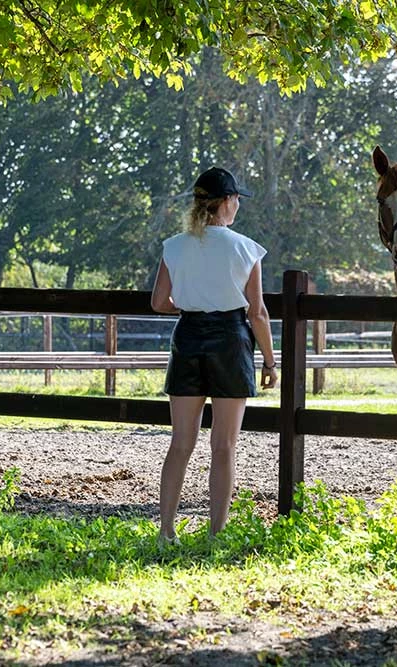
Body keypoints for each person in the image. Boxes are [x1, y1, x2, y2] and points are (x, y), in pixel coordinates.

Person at [150, 166, 278, 546]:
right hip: (231, 342)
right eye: (236, 199)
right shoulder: (246, 248)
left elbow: (159, 302)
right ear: (226, 202)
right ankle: (216, 533)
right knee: (223, 446)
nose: (237, 205)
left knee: (180, 444)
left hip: (187, 338)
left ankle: (166, 530)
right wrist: (270, 363)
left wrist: (193, 305)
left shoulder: (174, 245)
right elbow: (257, 313)